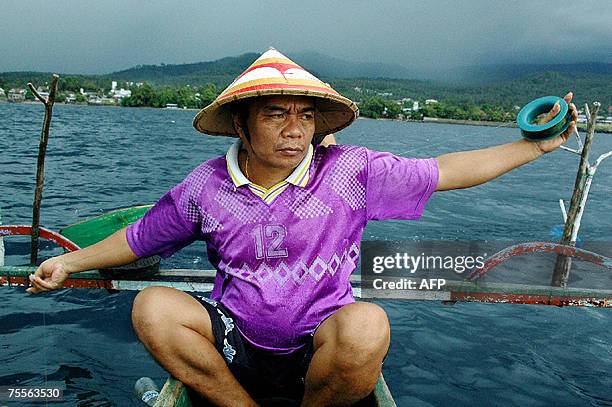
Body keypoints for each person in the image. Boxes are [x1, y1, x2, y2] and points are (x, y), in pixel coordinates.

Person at [26, 48, 577, 406]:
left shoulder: (351, 172)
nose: (295, 131)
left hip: (321, 346)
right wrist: (68, 262)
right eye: (276, 115)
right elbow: (141, 237)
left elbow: (448, 171)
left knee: (368, 325)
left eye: (306, 116)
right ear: (241, 123)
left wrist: (534, 146)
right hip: (236, 341)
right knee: (151, 307)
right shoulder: (206, 186)